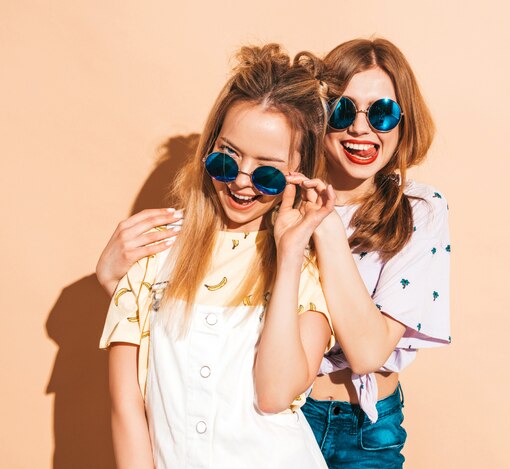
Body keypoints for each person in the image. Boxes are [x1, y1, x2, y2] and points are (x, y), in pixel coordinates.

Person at [97, 38, 450, 469]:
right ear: (320, 122)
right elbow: (183, 306)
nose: (361, 128)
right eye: (342, 110)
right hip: (281, 416)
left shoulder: (415, 211)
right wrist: (115, 280)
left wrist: (323, 227)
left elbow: (367, 353)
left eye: (382, 113)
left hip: (362, 422)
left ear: (404, 120)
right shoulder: (270, 200)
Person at [99, 44, 337, 469]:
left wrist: (289, 253)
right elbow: (126, 408)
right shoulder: (153, 251)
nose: (241, 183)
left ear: (296, 177)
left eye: (266, 173)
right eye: (226, 160)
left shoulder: (304, 271)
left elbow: (275, 394)